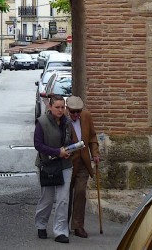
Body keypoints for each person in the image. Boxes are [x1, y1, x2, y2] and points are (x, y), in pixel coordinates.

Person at [34, 94, 74, 243]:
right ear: (50, 107)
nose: (60, 110)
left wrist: (71, 149)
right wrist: (57, 152)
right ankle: (41, 225)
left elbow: (71, 140)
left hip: (65, 164)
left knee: (63, 199)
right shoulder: (42, 122)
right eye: (57, 107)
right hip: (48, 164)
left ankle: (60, 231)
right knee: (47, 199)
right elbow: (38, 145)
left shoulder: (67, 122)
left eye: (63, 107)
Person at [65, 95, 101, 238]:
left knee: (80, 193)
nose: (76, 115)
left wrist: (95, 153)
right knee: (65, 195)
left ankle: (78, 226)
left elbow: (92, 136)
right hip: (68, 163)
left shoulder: (86, 116)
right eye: (73, 112)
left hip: (83, 163)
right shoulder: (62, 119)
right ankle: (63, 224)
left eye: (78, 112)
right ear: (68, 109)